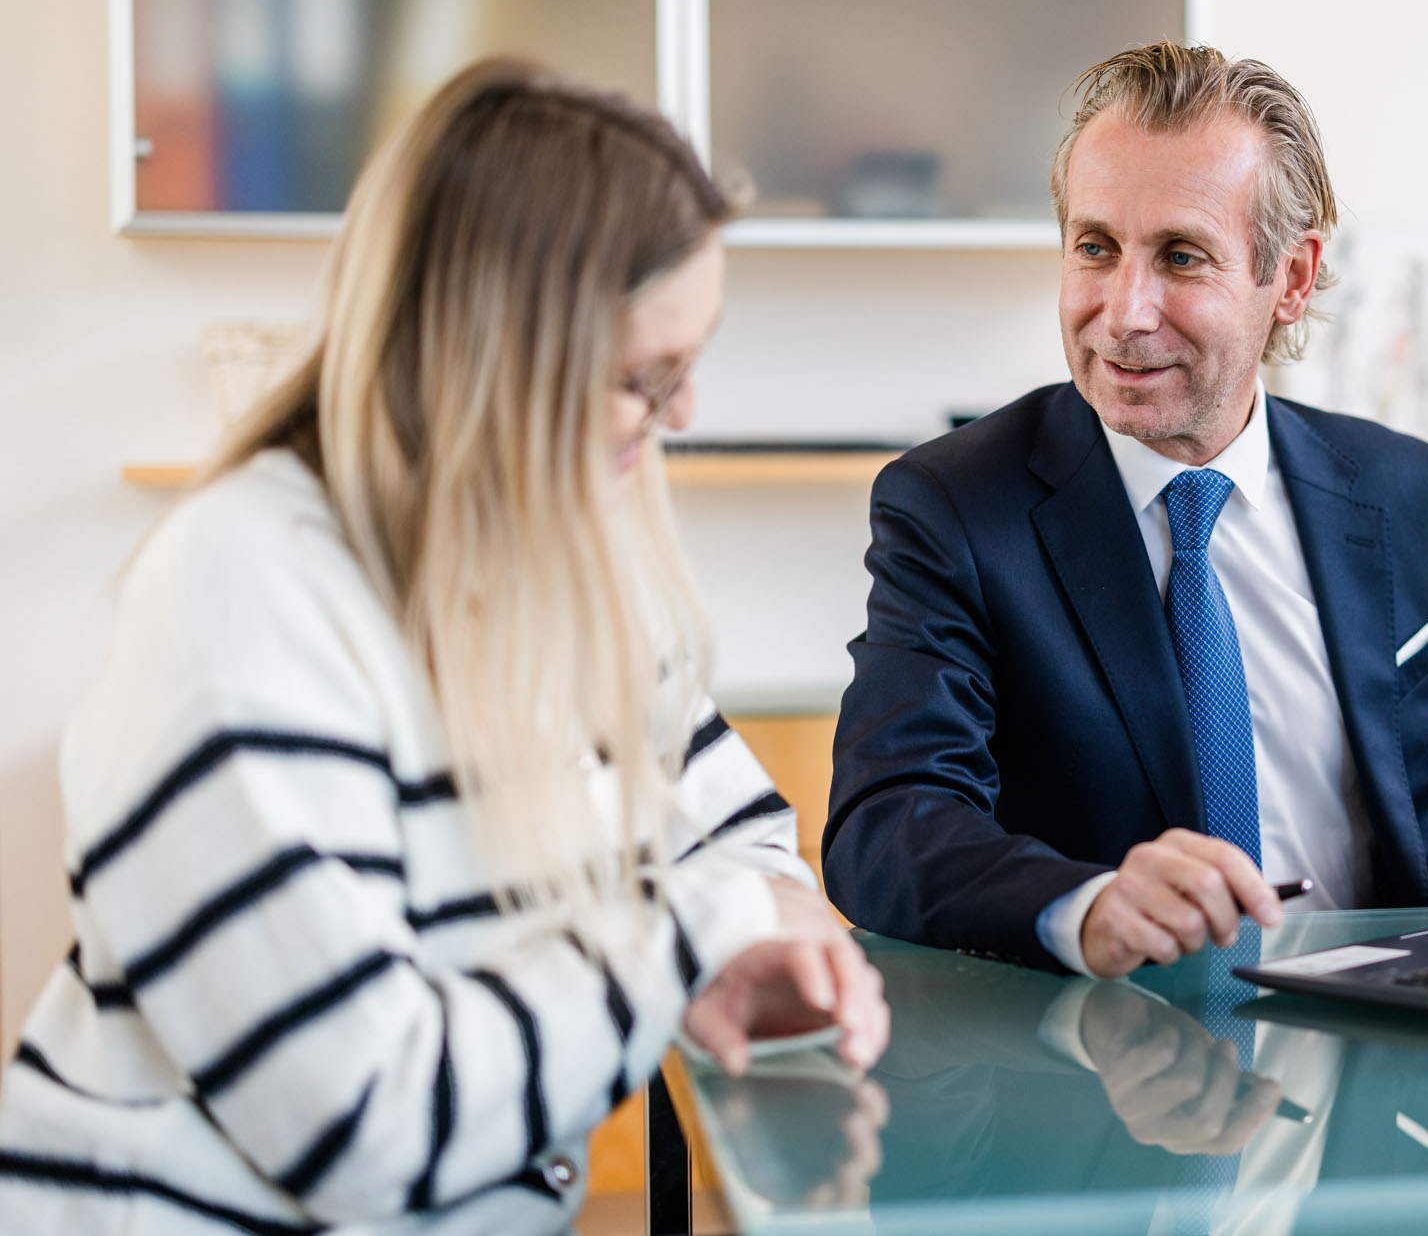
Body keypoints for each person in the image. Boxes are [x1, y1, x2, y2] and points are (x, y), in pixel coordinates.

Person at [0, 60, 886, 1234]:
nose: (682, 416)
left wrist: (760, 940)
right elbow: (361, 1120)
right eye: (643, 376)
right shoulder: (245, 594)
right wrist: (698, 938)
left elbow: (740, 839)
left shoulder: (565, 565)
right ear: (486, 359)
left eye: (688, 363)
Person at [823, 41, 1428, 978]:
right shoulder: (954, 506)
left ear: (1289, 280)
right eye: (1095, 248)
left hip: (1380, 1059)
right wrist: (1087, 907)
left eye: (1180, 256)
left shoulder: (1408, 491)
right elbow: (889, 822)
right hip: (1100, 1070)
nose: (1124, 310)